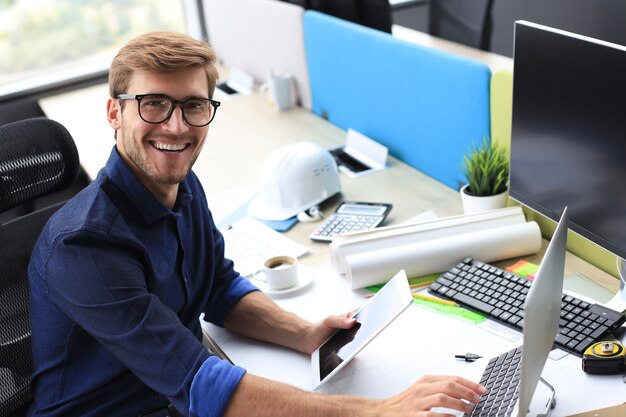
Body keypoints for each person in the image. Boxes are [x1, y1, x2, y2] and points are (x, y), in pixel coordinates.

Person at [27, 32, 486, 417]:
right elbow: (199, 385)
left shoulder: (183, 188)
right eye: (153, 105)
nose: (176, 126)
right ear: (114, 112)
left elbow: (217, 288)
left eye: (193, 106)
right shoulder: (86, 245)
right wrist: (377, 410)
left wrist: (303, 333)